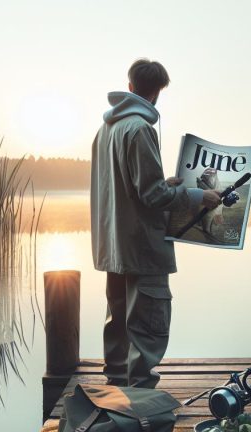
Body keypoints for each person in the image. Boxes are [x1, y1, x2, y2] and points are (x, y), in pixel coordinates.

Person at [90, 59, 221, 388]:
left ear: (130, 85)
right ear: (157, 93)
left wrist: (168, 184)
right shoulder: (140, 129)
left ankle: (115, 393)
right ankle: (142, 402)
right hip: (142, 247)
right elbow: (150, 195)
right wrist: (194, 195)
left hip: (113, 245)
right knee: (147, 325)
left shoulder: (105, 130)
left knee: (117, 320)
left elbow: (126, 186)